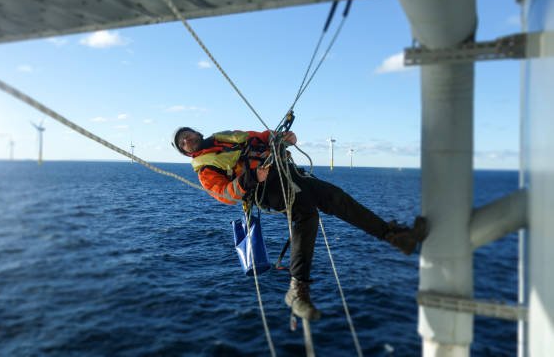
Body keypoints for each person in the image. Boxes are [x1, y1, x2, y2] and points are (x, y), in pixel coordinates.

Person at [171, 127, 427, 320]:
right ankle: (297, 289)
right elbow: (225, 194)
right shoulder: (205, 170)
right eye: (182, 143)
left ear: (197, 132)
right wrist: (250, 178)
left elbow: (259, 136)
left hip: (285, 171)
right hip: (265, 189)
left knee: (336, 198)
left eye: (187, 134)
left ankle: (394, 236)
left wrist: (282, 137)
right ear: (185, 152)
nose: (186, 140)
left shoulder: (225, 137)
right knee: (306, 216)